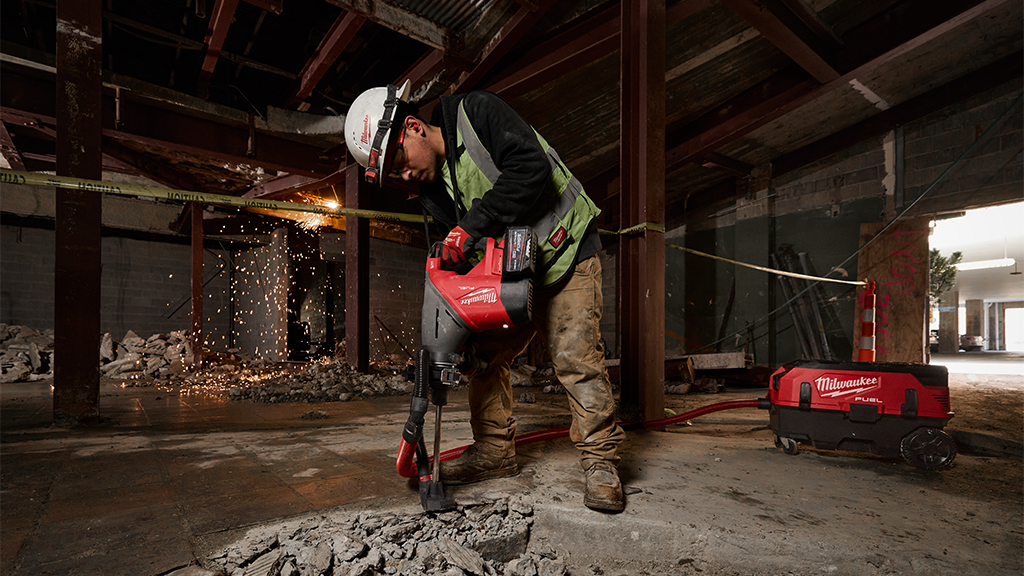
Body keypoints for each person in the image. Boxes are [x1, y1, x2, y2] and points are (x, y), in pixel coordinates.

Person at [344, 81, 626, 512]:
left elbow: (531, 168)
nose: (404, 177)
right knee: (482, 356)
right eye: (393, 176)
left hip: (565, 248)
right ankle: (495, 452)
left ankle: (601, 462)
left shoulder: (477, 113)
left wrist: (471, 227)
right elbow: (465, 254)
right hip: (517, 273)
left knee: (575, 357)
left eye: (399, 162)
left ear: (415, 127)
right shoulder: (434, 195)